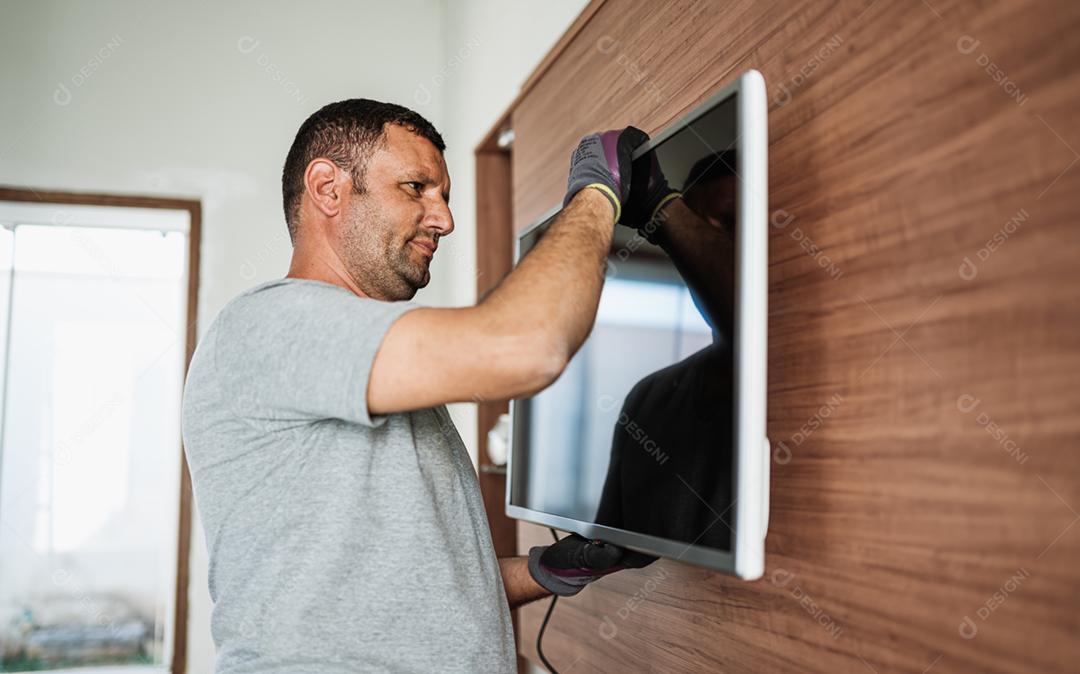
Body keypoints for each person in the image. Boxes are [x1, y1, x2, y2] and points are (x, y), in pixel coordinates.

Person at [180, 98, 667, 673]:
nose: (445, 220)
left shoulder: (367, 366)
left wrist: (547, 569)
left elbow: (412, 598)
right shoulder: (273, 324)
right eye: (416, 188)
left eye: (446, 196)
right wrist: (597, 194)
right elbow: (528, 347)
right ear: (328, 188)